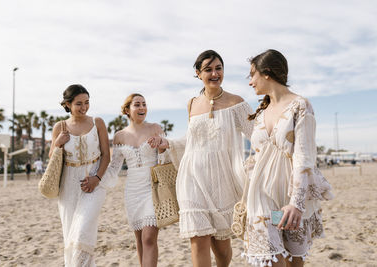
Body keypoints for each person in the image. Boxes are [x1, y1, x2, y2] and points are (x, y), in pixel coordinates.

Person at [148, 50, 254, 267]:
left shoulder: (237, 102)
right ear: (198, 73)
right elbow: (191, 140)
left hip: (222, 178)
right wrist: (166, 143)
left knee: (222, 248)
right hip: (193, 176)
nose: (214, 73)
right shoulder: (192, 104)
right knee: (198, 239)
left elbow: (258, 136)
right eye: (208, 70)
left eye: (218, 68)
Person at [243, 49, 333, 267]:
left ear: (266, 73)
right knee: (269, 257)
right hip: (262, 197)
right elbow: (254, 158)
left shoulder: (300, 105)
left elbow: (304, 158)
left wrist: (296, 203)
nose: (250, 82)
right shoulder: (261, 113)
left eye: (252, 75)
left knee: (294, 260)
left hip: (289, 197)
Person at [49, 84, 110, 266]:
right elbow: (52, 158)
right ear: (68, 104)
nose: (84, 107)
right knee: (70, 233)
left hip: (94, 182)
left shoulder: (97, 123)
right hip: (68, 185)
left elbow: (106, 155)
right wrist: (58, 142)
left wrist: (96, 179)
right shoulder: (60, 127)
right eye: (78, 104)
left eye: (87, 102)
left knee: (83, 231)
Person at [105, 93, 164, 267]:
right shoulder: (120, 136)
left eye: (144, 104)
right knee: (139, 239)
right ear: (127, 110)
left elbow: (166, 158)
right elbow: (114, 167)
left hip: (152, 189)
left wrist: (161, 145)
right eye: (137, 104)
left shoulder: (155, 128)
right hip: (132, 191)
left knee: (148, 238)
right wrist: (96, 179)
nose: (142, 108)